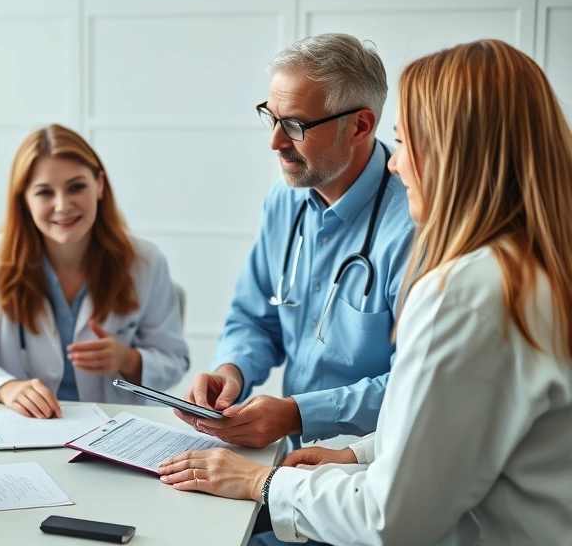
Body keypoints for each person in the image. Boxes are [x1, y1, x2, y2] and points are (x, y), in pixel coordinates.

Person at [158, 39, 572, 545]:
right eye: (272, 117)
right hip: (338, 478)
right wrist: (353, 454)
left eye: (410, 142)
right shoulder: (529, 268)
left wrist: (259, 481)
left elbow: (391, 515)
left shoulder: (462, 289)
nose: (398, 163)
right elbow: (451, 425)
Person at [179, 33, 414, 450]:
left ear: (360, 125)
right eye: (272, 118)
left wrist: (297, 414)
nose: (275, 142)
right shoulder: (283, 202)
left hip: (368, 469)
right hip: (285, 463)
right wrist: (231, 371)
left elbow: (414, 385)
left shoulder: (413, 229)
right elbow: (254, 319)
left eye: (295, 125)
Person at [0, 124, 189, 418]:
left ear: (100, 186)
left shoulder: (145, 261)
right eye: (44, 193)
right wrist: (8, 388)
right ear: (24, 200)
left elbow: (174, 360)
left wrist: (128, 359)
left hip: (115, 427)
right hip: (22, 429)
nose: (62, 206)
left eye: (76, 187)